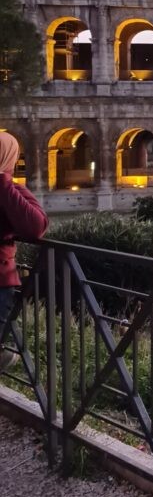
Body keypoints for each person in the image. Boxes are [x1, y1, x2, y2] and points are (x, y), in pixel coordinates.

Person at [0, 134, 48, 370]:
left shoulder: (8, 191)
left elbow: (35, 226)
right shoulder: (7, 189)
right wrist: (4, 181)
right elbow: (36, 227)